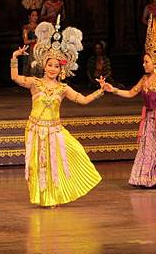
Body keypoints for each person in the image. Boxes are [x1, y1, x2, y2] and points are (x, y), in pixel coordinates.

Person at [10, 18, 103, 207]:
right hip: (36, 130)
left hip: (55, 132)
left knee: (58, 162)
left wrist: (100, 91)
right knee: (38, 164)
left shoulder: (63, 88)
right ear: (44, 65)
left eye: (57, 66)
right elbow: (15, 77)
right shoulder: (35, 83)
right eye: (50, 65)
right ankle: (43, 197)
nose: (53, 69)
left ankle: (54, 197)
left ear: (62, 69)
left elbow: (82, 100)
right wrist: (14, 57)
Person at [101, 16, 156, 188]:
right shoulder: (144, 79)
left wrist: (153, 88)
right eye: (143, 61)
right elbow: (130, 93)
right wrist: (113, 90)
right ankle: (145, 178)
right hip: (149, 117)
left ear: (155, 62)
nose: (144, 64)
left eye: (146, 62)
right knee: (147, 146)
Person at [20, 0, 42, 76]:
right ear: (29, 17)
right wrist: (35, 40)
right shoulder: (26, 27)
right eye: (33, 15)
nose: (35, 17)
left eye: (36, 15)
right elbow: (25, 41)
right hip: (30, 50)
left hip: (39, 49)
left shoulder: (40, 26)